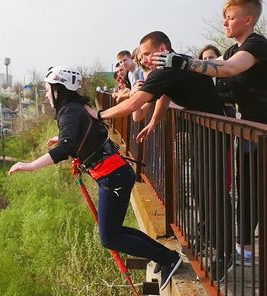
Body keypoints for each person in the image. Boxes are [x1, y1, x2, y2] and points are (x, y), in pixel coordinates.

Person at [153, 0, 267, 278]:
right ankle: (245, 249)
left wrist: (183, 62)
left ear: (248, 19)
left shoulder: (257, 45)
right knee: (247, 191)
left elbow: (227, 69)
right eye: (224, 18)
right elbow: (216, 73)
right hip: (251, 129)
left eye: (230, 17)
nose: (225, 22)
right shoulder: (231, 50)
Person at [8, 66, 182, 290]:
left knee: (109, 237)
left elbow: (67, 147)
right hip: (113, 175)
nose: (46, 94)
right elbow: (85, 132)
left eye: (47, 89)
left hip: (114, 177)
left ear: (58, 90)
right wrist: (60, 137)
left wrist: (31, 165)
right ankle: (164, 256)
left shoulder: (69, 111)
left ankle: (168, 259)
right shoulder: (76, 108)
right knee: (113, 231)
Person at [91, 31, 233, 281]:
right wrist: (154, 123)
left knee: (213, 191)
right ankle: (209, 236)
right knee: (201, 189)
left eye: (147, 53)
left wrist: (99, 116)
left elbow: (135, 105)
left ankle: (225, 253)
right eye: (142, 55)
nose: (143, 59)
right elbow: (165, 96)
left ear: (163, 48)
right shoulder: (175, 65)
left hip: (215, 132)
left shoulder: (166, 69)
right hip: (204, 131)